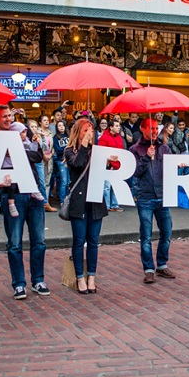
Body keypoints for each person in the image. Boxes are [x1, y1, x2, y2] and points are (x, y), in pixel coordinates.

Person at [0, 105, 49, 300]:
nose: (8, 119)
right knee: (14, 242)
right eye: (4, 116)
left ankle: (38, 280)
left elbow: (38, 156)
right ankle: (19, 284)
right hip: (12, 193)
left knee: (39, 241)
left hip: (32, 190)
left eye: (10, 115)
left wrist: (18, 155)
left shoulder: (21, 129)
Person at [130, 118, 176, 284]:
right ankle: (148, 269)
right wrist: (145, 158)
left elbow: (169, 170)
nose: (155, 131)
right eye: (151, 128)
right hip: (145, 196)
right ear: (142, 129)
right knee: (146, 236)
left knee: (167, 232)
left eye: (157, 128)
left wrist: (179, 166)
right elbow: (135, 172)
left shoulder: (164, 148)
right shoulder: (135, 149)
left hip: (163, 195)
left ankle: (162, 265)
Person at [65, 119, 108, 294]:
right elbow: (77, 164)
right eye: (85, 130)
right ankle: (79, 277)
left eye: (91, 130)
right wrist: (84, 145)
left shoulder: (97, 151)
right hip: (79, 203)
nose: (89, 134)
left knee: (93, 241)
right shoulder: (70, 151)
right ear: (78, 132)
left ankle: (91, 276)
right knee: (78, 241)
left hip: (95, 201)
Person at [97, 119, 124, 212]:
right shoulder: (104, 137)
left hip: (117, 165)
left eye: (119, 125)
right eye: (116, 126)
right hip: (108, 165)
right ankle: (107, 205)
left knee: (115, 186)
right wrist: (108, 161)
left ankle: (115, 204)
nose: (118, 127)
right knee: (107, 187)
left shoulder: (119, 138)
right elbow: (101, 151)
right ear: (111, 127)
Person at [38, 115, 56, 211]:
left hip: (49, 159)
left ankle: (46, 202)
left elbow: (52, 146)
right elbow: (37, 145)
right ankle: (40, 202)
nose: (46, 122)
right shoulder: (37, 132)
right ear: (40, 122)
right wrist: (43, 155)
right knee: (40, 182)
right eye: (44, 120)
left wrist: (51, 154)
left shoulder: (50, 133)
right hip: (40, 159)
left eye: (48, 120)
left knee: (47, 181)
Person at [52, 120, 70, 205]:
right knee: (64, 181)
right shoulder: (55, 138)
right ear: (57, 127)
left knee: (70, 181)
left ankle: (69, 199)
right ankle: (62, 200)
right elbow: (58, 149)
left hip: (70, 161)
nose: (61, 127)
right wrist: (67, 149)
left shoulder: (69, 135)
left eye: (63, 125)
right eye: (59, 126)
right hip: (61, 161)